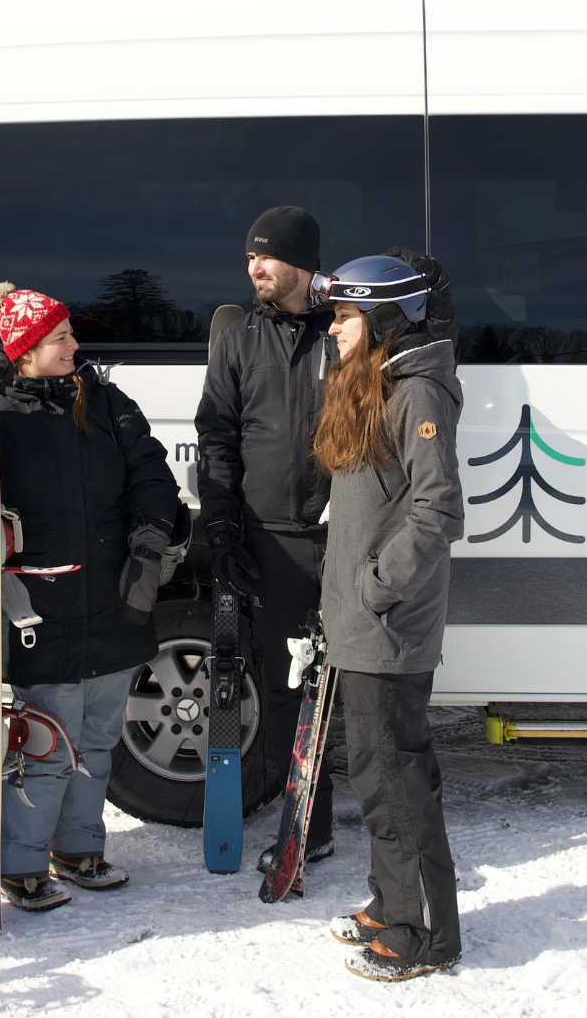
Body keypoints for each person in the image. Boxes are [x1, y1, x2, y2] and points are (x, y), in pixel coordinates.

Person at [0, 282, 182, 912]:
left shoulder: (107, 400)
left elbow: (152, 474)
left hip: (115, 599)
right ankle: (21, 862)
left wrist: (150, 546)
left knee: (98, 736)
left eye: (69, 334)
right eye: (60, 337)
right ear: (25, 349)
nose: (74, 345)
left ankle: (80, 847)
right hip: (41, 605)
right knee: (46, 741)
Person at [311, 255, 464, 982]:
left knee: (396, 778)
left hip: (388, 625)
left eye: (344, 316)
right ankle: (389, 900)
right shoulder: (376, 382)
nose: (333, 327)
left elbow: (439, 512)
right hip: (361, 622)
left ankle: (422, 931)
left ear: (383, 320)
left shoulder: (418, 391)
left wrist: (373, 589)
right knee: (376, 774)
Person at [194, 205, 338, 866]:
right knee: (285, 685)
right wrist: (220, 521)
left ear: (303, 263)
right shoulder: (237, 337)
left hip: (344, 538)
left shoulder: (346, 330)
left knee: (354, 679)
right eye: (250, 256)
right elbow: (217, 436)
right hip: (271, 540)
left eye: (268, 256)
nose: (255, 266)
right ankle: (309, 819)